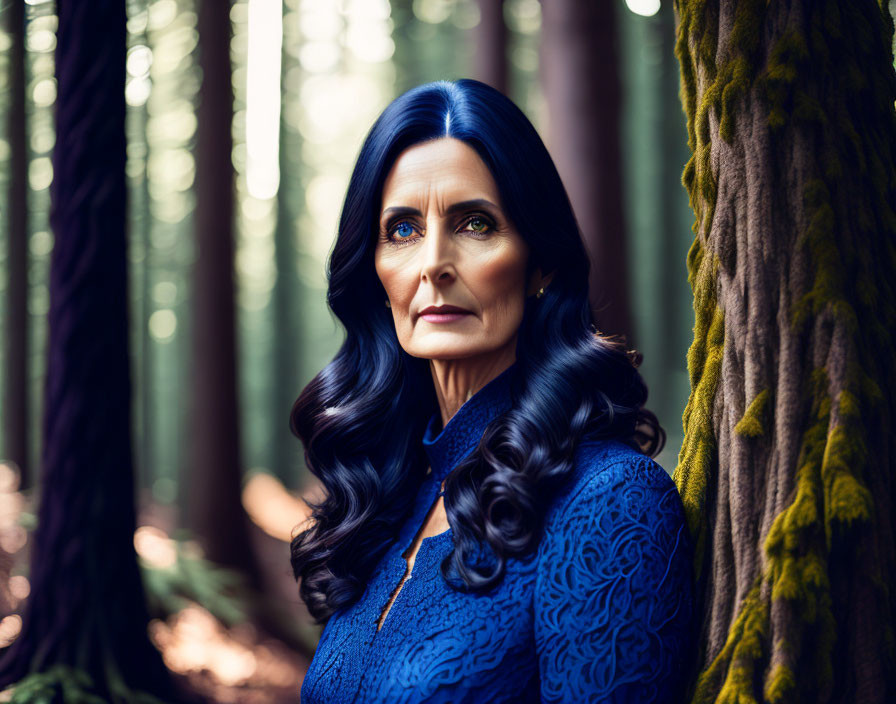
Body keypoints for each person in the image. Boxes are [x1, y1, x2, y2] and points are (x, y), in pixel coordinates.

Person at [290, 79, 695, 703]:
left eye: (475, 223)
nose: (433, 262)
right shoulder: (390, 499)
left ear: (541, 263)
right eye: (401, 229)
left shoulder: (609, 500)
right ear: (374, 271)